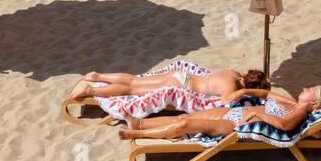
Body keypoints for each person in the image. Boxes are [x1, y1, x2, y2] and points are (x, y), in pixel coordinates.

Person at [118, 85, 321, 139]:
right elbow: (265, 94)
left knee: (185, 125)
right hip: (235, 112)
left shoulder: (300, 113)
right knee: (183, 117)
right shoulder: (291, 102)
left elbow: (284, 126)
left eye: (308, 90)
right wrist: (245, 90)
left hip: (236, 124)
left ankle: (137, 134)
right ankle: (140, 123)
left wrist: (259, 115)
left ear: (313, 101)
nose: (304, 89)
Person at [72, 63, 268, 99]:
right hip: (180, 85)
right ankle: (91, 91)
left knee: (134, 80)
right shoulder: (231, 87)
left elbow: (243, 75)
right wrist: (248, 92)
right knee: (130, 90)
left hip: (181, 75)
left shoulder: (233, 73)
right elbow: (226, 103)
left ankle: (98, 76)